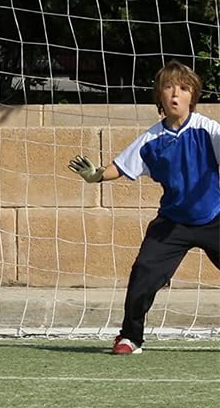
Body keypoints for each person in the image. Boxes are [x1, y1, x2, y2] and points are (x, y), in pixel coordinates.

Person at [69, 62, 220, 353]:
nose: (176, 94)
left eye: (184, 88)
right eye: (169, 87)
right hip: (172, 224)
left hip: (214, 217)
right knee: (142, 277)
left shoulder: (209, 131)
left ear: (193, 96)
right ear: (160, 97)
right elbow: (121, 166)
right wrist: (96, 175)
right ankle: (130, 337)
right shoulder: (151, 139)